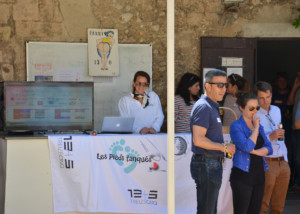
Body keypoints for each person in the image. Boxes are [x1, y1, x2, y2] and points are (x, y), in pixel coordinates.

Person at [190, 69, 236, 214]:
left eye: (226, 85)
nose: (224, 89)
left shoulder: (211, 106)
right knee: (207, 210)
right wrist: (224, 147)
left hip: (210, 163)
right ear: (208, 86)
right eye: (220, 85)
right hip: (206, 163)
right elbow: (198, 140)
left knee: (209, 210)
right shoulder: (204, 107)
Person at [230, 92, 273, 214]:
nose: (255, 111)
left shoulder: (259, 126)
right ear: (241, 108)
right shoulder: (236, 126)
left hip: (259, 174)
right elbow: (247, 147)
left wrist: (256, 152)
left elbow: (269, 148)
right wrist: (255, 129)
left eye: (257, 108)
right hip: (243, 176)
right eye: (251, 108)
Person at [253, 81, 290, 214]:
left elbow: (279, 132)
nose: (265, 101)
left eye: (268, 97)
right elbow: (251, 141)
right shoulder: (254, 114)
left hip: (283, 161)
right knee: (262, 204)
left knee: (278, 206)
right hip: (267, 161)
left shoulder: (276, 110)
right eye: (261, 98)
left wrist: (285, 158)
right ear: (256, 98)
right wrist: (270, 137)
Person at [287, 70, 300, 191]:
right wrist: (295, 87)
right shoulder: (298, 89)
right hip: (295, 129)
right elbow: (289, 102)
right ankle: (297, 182)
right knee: (296, 157)